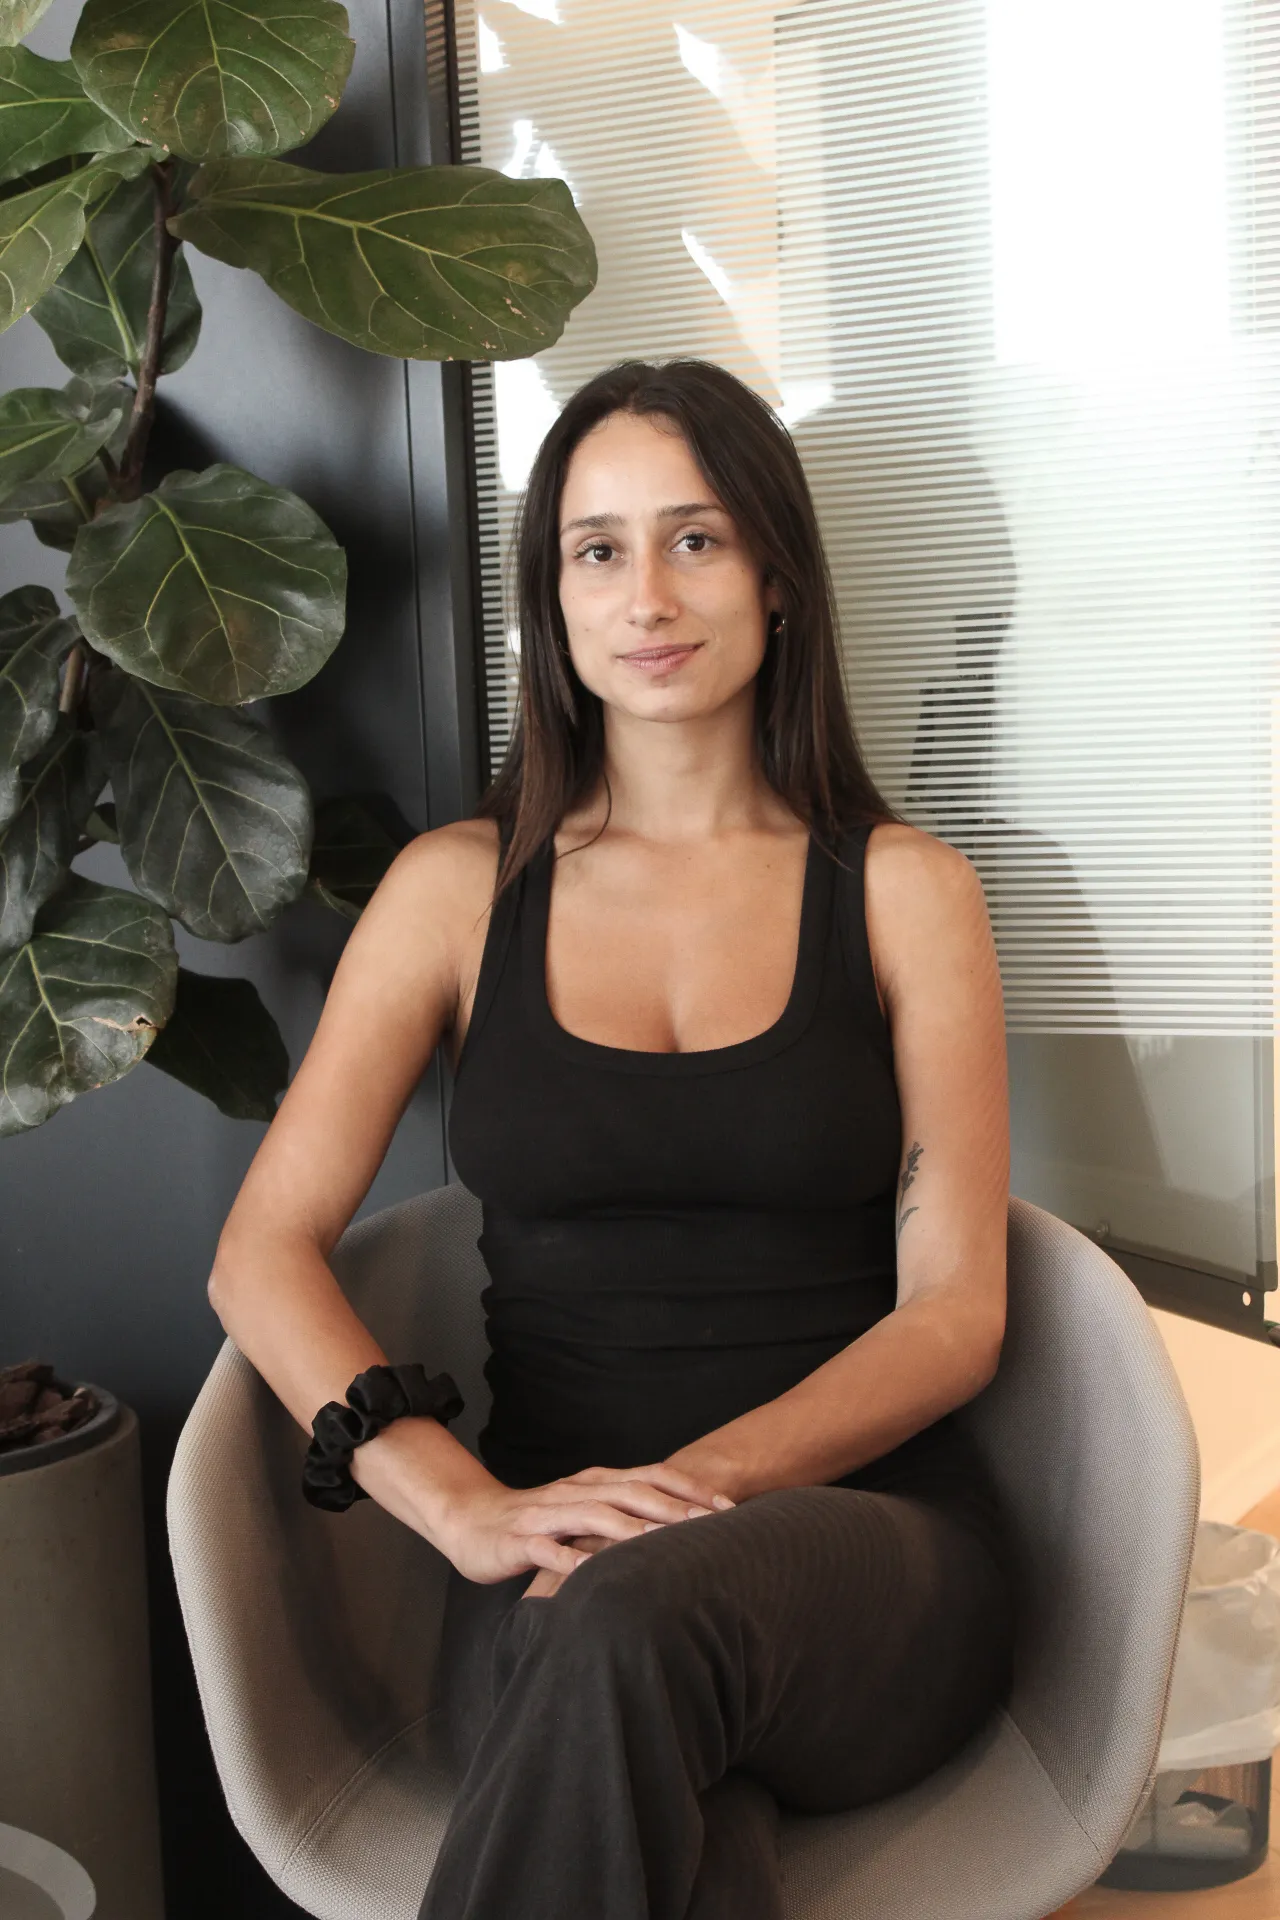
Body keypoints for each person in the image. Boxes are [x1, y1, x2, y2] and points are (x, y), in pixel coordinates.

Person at [208, 357, 1018, 1920]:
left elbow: (956, 1315)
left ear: (777, 575)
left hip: (872, 1567)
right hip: (546, 1585)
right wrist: (461, 1504)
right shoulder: (458, 892)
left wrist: (677, 1497)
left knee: (638, 1625)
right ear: (552, 604)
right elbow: (264, 1251)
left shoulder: (905, 890)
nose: (646, 591)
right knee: (679, 1832)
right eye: (597, 548)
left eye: (696, 538)